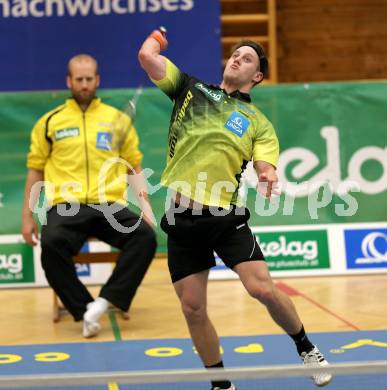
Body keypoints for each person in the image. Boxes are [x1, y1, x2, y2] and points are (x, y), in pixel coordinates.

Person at [138, 29, 332, 389]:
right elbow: (148, 59)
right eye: (235, 54)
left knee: (262, 289)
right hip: (181, 219)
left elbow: (265, 162)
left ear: (257, 76)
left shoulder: (257, 121)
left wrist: (267, 173)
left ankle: (306, 347)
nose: (236, 58)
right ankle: (221, 384)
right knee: (192, 308)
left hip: (224, 218)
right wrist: (156, 40)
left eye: (247, 58)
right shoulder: (190, 89)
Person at [22, 54, 157, 338]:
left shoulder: (116, 120)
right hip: (66, 207)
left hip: (109, 206)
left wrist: (146, 207)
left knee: (144, 236)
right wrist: (28, 216)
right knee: (52, 243)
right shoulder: (50, 122)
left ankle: (106, 301)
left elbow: (133, 166)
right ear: (69, 82)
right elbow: (36, 171)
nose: (84, 85)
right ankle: (85, 310)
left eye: (89, 79)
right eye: (78, 79)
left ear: (97, 81)